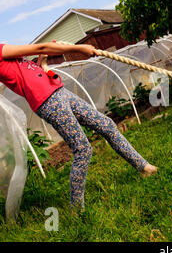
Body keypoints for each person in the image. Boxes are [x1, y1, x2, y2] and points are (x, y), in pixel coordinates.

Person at [0, 41, 157, 209]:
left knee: (107, 125)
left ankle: (144, 167)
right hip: (49, 102)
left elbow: (27, 76)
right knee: (82, 149)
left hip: (59, 91)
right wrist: (79, 49)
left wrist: (41, 64)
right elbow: (40, 47)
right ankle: (77, 209)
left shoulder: (8, 56)